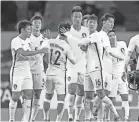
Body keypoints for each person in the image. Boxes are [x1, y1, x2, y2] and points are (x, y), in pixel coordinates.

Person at [9, 20, 47, 122]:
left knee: (28, 95)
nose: (30, 31)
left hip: (27, 71)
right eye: (29, 29)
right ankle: (11, 119)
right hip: (17, 71)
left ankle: (25, 120)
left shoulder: (28, 41)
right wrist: (39, 51)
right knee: (15, 96)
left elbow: (32, 54)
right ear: (22, 30)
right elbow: (23, 53)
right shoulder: (15, 41)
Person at [42, 22, 79, 121]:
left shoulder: (50, 41)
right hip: (60, 75)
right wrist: (80, 54)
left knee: (47, 97)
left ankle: (46, 118)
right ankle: (58, 120)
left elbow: (45, 57)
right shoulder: (66, 46)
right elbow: (73, 61)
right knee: (61, 100)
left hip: (49, 73)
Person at [65, 6, 89, 121]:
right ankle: (70, 115)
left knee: (81, 93)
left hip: (83, 65)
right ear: (72, 17)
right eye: (75, 17)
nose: (77, 19)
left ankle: (76, 117)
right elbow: (59, 44)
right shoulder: (67, 31)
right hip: (71, 65)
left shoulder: (86, 30)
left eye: (79, 16)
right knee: (71, 90)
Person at [105, 30, 129, 121]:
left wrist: (126, 71)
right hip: (113, 77)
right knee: (110, 99)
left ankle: (126, 118)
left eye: (113, 35)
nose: (112, 37)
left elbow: (126, 59)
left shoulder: (122, 44)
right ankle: (108, 118)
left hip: (122, 76)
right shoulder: (107, 50)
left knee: (125, 98)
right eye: (110, 36)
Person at [28, 15, 46, 121]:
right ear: (31, 25)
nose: (37, 25)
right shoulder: (27, 38)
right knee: (27, 94)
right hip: (28, 70)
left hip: (39, 70)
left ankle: (32, 118)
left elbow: (47, 55)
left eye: (39, 23)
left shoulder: (44, 39)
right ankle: (26, 116)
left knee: (37, 94)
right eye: (35, 23)